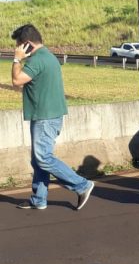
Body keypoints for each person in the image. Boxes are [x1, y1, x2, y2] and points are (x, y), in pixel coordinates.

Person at [11, 24, 95, 211]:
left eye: (18, 45)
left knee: (43, 158)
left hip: (45, 117)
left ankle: (82, 185)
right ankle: (39, 199)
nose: (17, 48)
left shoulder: (37, 60)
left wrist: (17, 59)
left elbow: (16, 81)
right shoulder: (48, 56)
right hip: (48, 115)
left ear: (27, 44)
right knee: (38, 160)